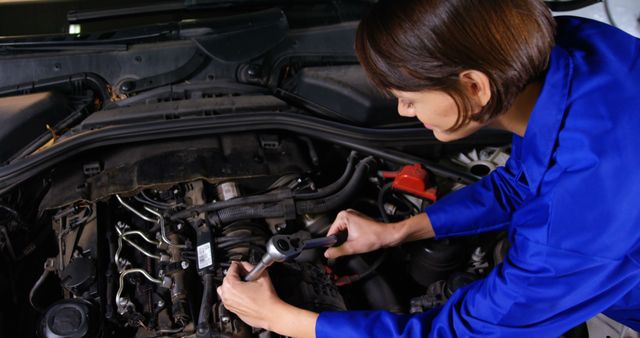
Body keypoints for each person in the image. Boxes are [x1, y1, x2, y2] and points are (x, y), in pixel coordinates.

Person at [217, 0, 640, 336]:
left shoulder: (574, 219)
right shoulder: (573, 46)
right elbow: (522, 182)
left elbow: (464, 334)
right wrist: (401, 229)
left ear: (474, 85)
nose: (402, 111)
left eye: (409, 97)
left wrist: (284, 320)